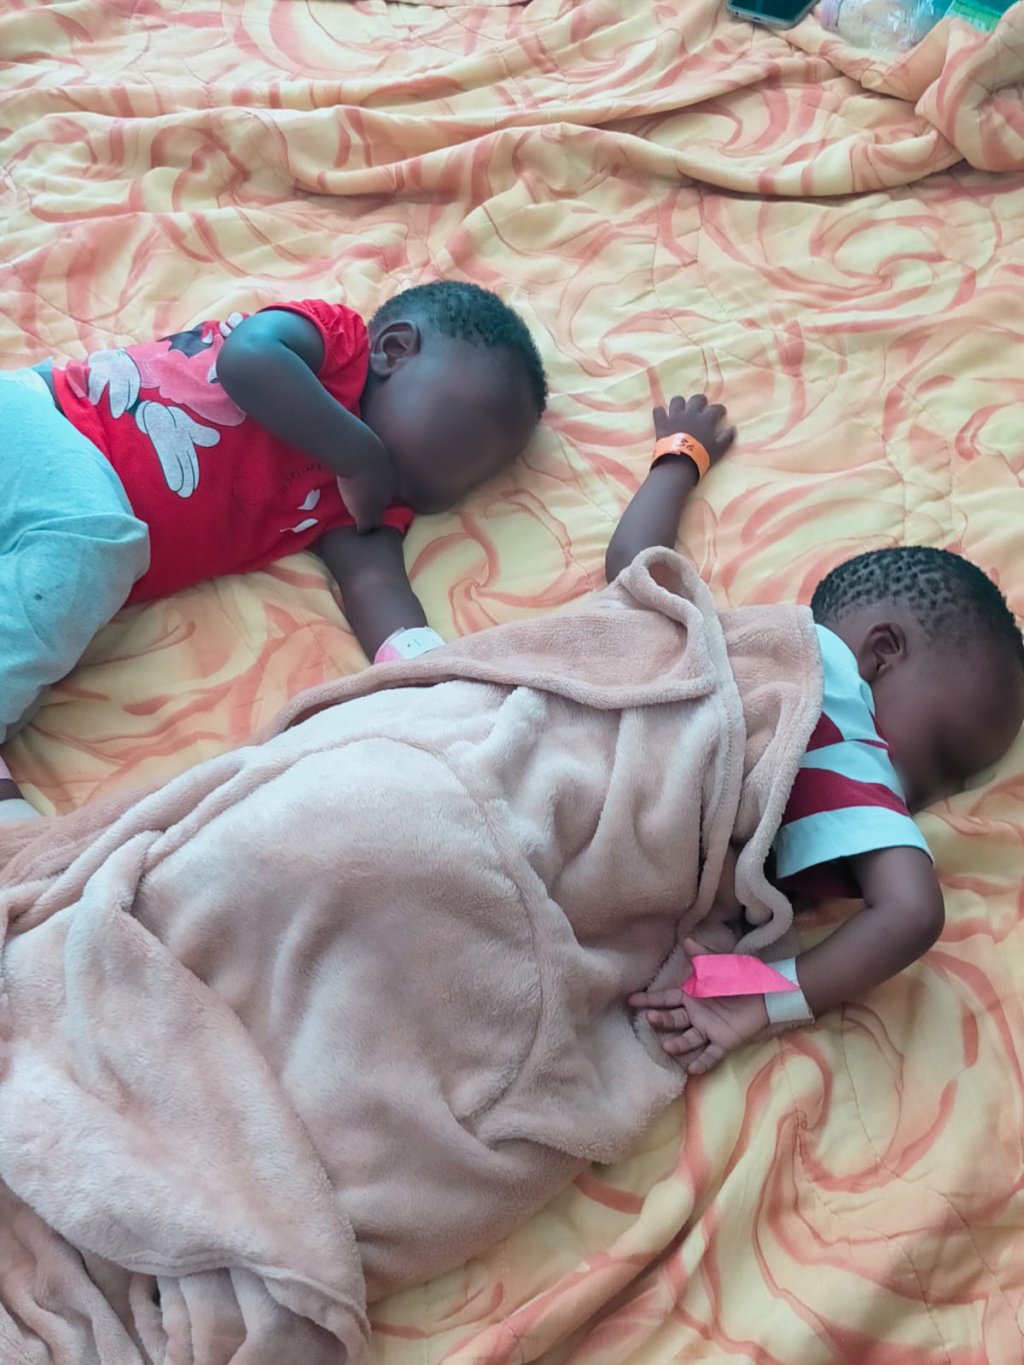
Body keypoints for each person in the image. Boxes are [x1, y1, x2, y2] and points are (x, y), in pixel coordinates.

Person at [613, 394, 1024, 1075]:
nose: (919, 802)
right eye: (943, 758)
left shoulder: (737, 663)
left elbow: (635, 564)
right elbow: (913, 912)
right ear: (879, 655)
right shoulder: (827, 681)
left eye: (951, 788)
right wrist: (765, 1000)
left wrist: (676, 458)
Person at [0, 279, 546, 743]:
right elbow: (249, 358)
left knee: (33, 667)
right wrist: (356, 455)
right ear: (396, 351)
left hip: (39, 521)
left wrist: (429, 677)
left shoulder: (365, 504)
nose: (452, 479)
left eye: (475, 478)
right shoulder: (337, 346)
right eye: (461, 440)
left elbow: (374, 582)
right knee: (92, 546)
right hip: (50, 427)